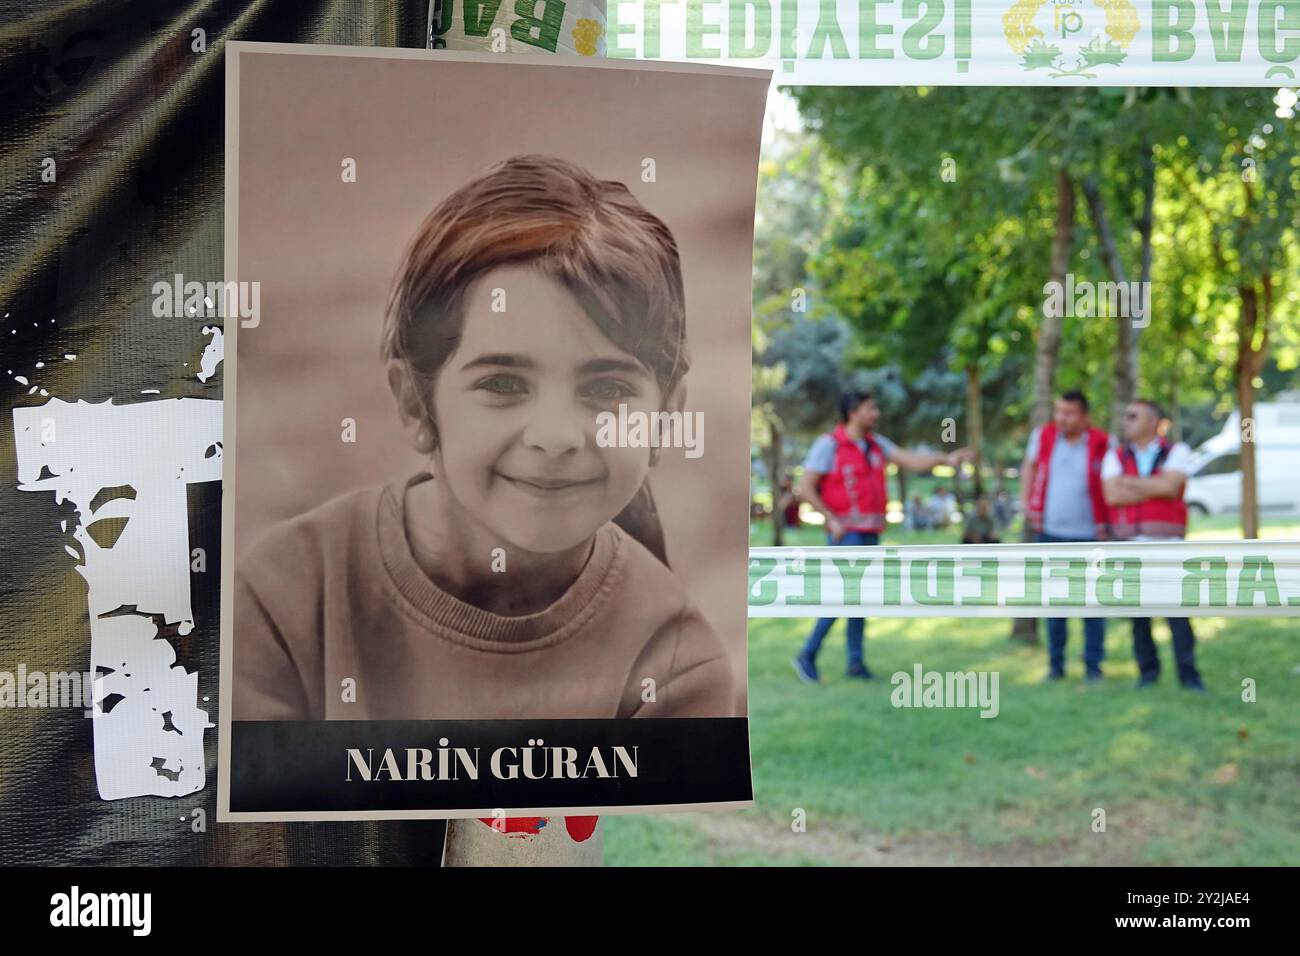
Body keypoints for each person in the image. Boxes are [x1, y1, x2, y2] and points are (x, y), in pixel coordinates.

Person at [232, 154, 734, 721]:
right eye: (503, 382)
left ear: (666, 417)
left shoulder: (676, 670)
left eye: (607, 388)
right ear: (416, 402)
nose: (554, 436)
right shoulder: (288, 596)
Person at [792, 391, 970, 682]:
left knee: (861, 601)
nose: (876, 414)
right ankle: (807, 654)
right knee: (841, 598)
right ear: (853, 412)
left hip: (870, 533)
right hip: (846, 535)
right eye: (870, 408)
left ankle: (855, 663)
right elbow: (806, 487)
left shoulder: (876, 445)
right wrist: (830, 519)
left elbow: (912, 460)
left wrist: (946, 459)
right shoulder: (829, 445)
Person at [1102, 399, 1206, 692]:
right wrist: (1153, 486)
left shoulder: (1177, 451)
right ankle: (1148, 674)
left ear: (1152, 421)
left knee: (1177, 615)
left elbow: (1170, 488)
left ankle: (1189, 676)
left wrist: (1130, 483)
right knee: (1139, 615)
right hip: (1131, 544)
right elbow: (1112, 495)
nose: (1126, 421)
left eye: (1133, 416)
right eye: (1125, 415)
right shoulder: (1116, 455)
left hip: (1168, 546)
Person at [1021, 390, 1111, 682]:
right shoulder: (1044, 436)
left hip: (1090, 534)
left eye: (1069, 412)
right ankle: (1056, 665)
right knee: (1055, 603)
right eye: (1058, 411)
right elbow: (1029, 468)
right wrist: (1027, 503)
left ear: (1085, 416)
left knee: (1093, 603)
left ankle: (1093, 666)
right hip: (1050, 533)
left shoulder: (1101, 442)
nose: (1061, 418)